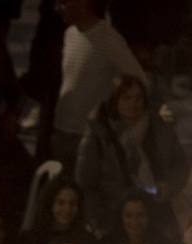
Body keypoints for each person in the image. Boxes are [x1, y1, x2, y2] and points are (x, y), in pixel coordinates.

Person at [75, 75, 189, 229]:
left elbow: (181, 165)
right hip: (113, 213)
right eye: (126, 98)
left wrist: (169, 185)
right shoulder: (99, 131)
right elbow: (85, 183)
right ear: (115, 100)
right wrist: (95, 219)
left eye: (138, 98)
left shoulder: (159, 128)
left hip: (154, 210)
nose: (133, 104)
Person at [52, 0, 147, 166]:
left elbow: (138, 79)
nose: (57, 8)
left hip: (89, 137)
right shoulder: (69, 34)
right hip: (62, 131)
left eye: (63, 2)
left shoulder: (108, 39)